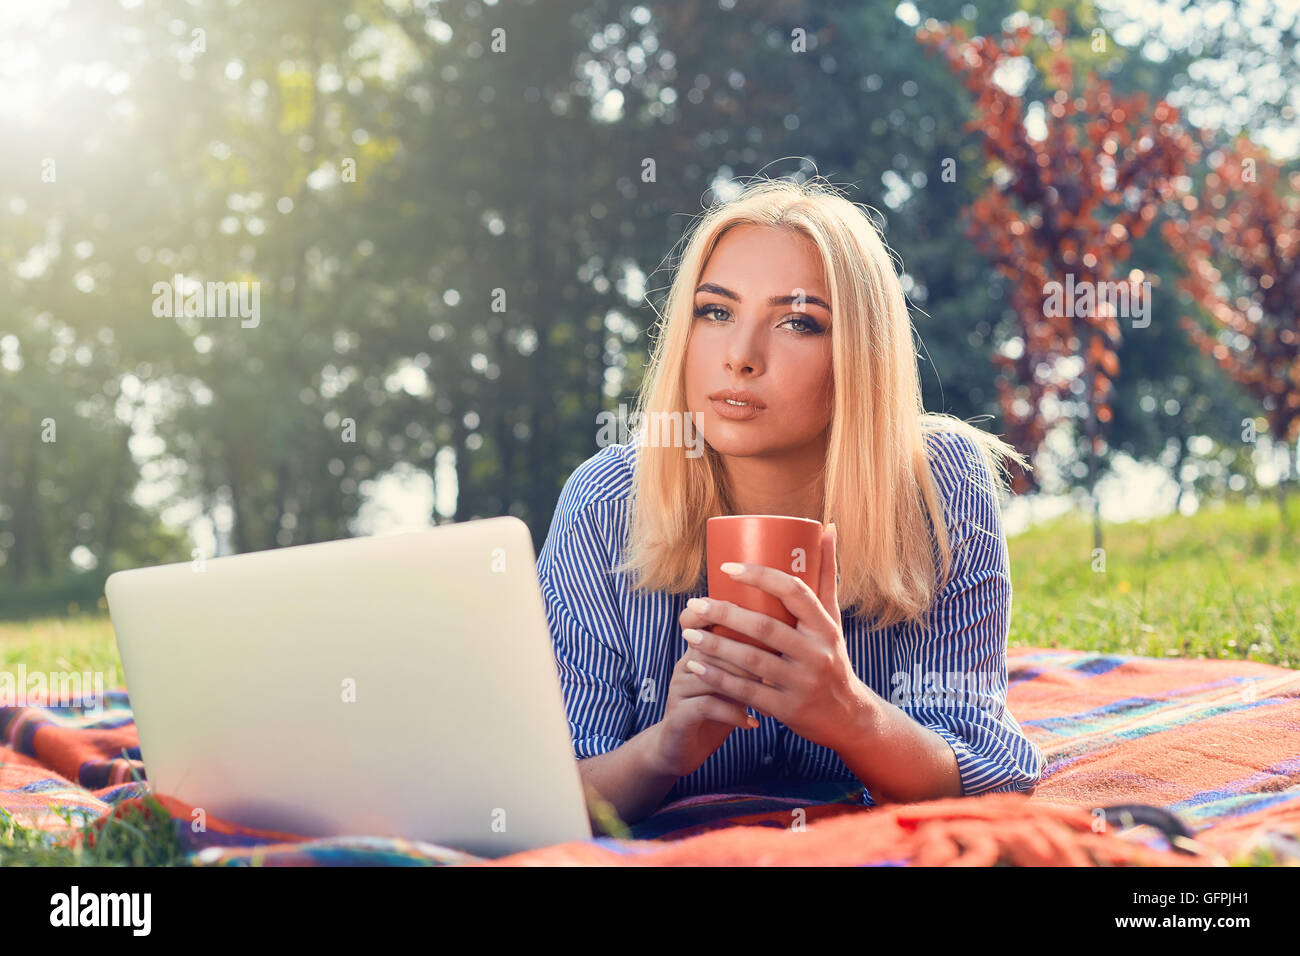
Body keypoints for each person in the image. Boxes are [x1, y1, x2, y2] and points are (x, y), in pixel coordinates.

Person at [535, 177, 1045, 829]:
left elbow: (987, 774)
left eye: (797, 322)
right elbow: (556, 791)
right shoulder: (605, 502)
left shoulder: (942, 484)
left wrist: (849, 714)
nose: (740, 358)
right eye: (715, 312)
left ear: (859, 354)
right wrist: (662, 750)